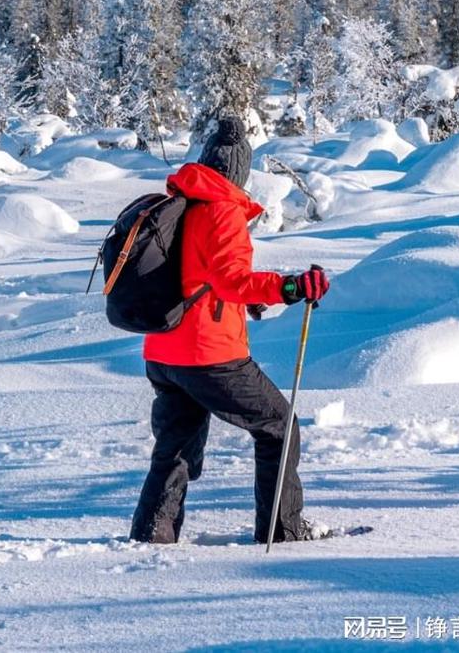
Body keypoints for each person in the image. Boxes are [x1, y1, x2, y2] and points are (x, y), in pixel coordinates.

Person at [130, 117, 330, 545]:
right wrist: (289, 287)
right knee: (278, 425)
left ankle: (152, 536)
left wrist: (253, 298)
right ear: (239, 171)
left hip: (164, 352)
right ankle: (283, 530)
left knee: (175, 449)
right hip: (209, 355)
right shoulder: (222, 210)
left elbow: (198, 275)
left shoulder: (181, 205)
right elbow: (229, 281)